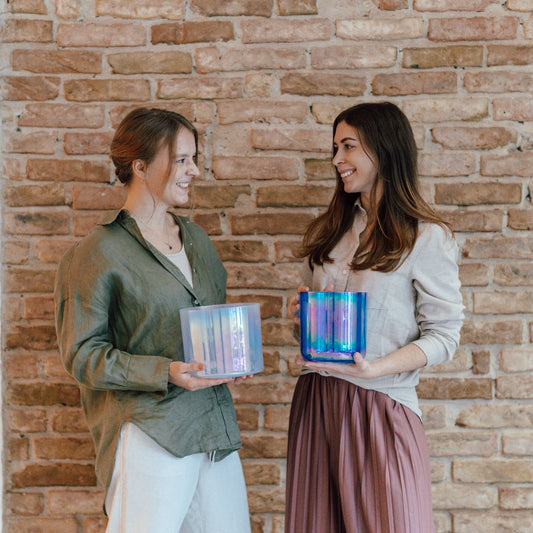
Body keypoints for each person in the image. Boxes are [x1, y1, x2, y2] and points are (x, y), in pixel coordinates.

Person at [54, 108, 252, 533]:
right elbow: (83, 356)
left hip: (214, 431)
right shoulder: (97, 252)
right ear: (140, 166)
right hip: (150, 433)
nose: (194, 170)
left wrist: (231, 355)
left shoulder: (196, 239)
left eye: (193, 158)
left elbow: (209, 321)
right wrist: (167, 371)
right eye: (181, 159)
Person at [285, 102, 464, 533]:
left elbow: (445, 336)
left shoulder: (426, 237)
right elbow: (307, 329)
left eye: (348, 147)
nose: (336, 161)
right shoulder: (329, 232)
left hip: (382, 406)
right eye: (335, 148)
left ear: (383, 151)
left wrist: (375, 369)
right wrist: (299, 319)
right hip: (317, 402)